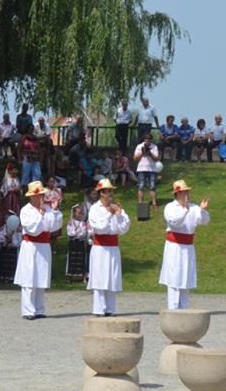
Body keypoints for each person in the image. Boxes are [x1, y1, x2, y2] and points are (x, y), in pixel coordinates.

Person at [13, 181, 63, 319]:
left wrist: (54, 211)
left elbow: (54, 227)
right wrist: (40, 215)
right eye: (37, 195)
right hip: (31, 246)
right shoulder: (26, 210)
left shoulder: (47, 208)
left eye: (41, 195)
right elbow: (32, 230)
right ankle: (28, 310)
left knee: (41, 277)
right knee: (29, 277)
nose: (40, 198)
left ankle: (39, 309)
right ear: (31, 197)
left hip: (44, 246)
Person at [159, 180, 210, 309]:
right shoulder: (170, 207)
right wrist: (185, 210)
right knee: (174, 277)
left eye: (187, 192)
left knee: (186, 277)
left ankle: (184, 308)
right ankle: (173, 308)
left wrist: (202, 210)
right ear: (177, 194)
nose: (187, 195)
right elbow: (174, 222)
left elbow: (205, 221)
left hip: (188, 247)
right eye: (183, 192)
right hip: (174, 246)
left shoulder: (194, 207)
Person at [86, 179, 130, 316]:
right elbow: (98, 228)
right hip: (100, 248)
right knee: (100, 276)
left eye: (112, 191)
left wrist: (119, 216)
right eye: (108, 191)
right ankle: (99, 309)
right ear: (101, 193)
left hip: (113, 247)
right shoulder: (94, 209)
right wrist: (109, 214)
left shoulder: (115, 207)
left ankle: (110, 309)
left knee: (112, 276)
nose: (111, 193)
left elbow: (124, 229)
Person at [66, 204, 92, 282]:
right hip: (72, 242)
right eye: (79, 213)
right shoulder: (70, 222)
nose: (81, 215)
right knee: (72, 258)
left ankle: (83, 277)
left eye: (81, 213)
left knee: (81, 259)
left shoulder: (83, 223)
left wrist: (76, 233)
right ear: (74, 213)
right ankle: (69, 276)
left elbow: (83, 233)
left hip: (80, 242)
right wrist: (76, 232)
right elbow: (70, 233)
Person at [134, 131, 160, 208]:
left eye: (149, 139)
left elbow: (156, 159)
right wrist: (142, 153)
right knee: (141, 186)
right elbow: (135, 158)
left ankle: (154, 203)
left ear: (151, 140)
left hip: (152, 169)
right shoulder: (139, 146)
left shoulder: (154, 147)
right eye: (146, 139)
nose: (148, 140)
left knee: (152, 186)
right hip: (141, 169)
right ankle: (140, 203)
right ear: (144, 139)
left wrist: (149, 152)